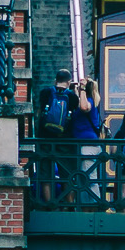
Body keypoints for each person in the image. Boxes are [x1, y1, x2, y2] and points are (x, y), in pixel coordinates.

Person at [66, 78, 104, 202]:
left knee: (90, 179)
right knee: (83, 180)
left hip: (88, 146)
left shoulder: (89, 101)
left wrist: (81, 88)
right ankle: (86, 206)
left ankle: (96, 205)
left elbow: (83, 107)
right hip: (84, 146)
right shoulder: (90, 101)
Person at [35, 68, 70, 201]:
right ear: (69, 82)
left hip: (45, 139)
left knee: (45, 175)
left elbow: (39, 112)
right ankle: (68, 206)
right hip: (64, 140)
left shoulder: (45, 92)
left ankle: (49, 205)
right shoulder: (71, 95)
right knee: (67, 175)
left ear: (55, 80)